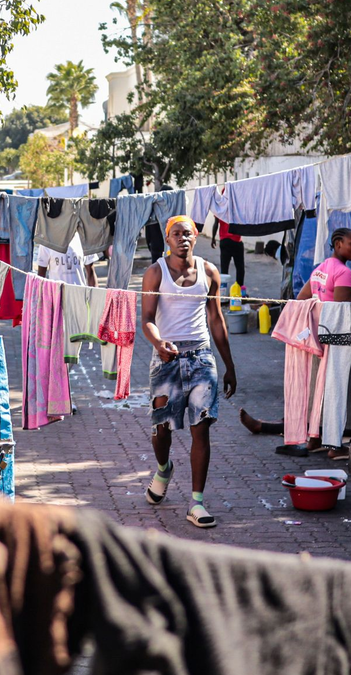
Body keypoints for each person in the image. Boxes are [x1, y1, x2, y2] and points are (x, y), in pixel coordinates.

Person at [141, 215, 237, 528]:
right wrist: (158, 343)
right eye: (176, 234)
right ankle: (164, 467)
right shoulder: (155, 273)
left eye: (188, 234)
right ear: (167, 240)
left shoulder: (209, 272)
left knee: (201, 427)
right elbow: (147, 318)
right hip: (166, 359)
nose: (182, 239)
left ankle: (196, 502)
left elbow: (217, 320)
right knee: (162, 431)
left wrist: (229, 366)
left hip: (201, 358)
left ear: (196, 237)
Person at [239, 228, 351, 458]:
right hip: (338, 344)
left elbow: (302, 300)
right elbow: (342, 314)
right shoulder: (343, 273)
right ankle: (335, 447)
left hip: (318, 342)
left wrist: (317, 315)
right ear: (338, 244)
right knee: (336, 392)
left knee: (318, 393)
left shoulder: (320, 270)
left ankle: (314, 441)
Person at [213, 219, 246, 293]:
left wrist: (213, 238)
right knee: (240, 268)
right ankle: (240, 291)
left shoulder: (220, 208)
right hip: (236, 241)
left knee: (224, 268)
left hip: (224, 241)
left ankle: (223, 291)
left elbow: (216, 224)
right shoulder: (238, 208)